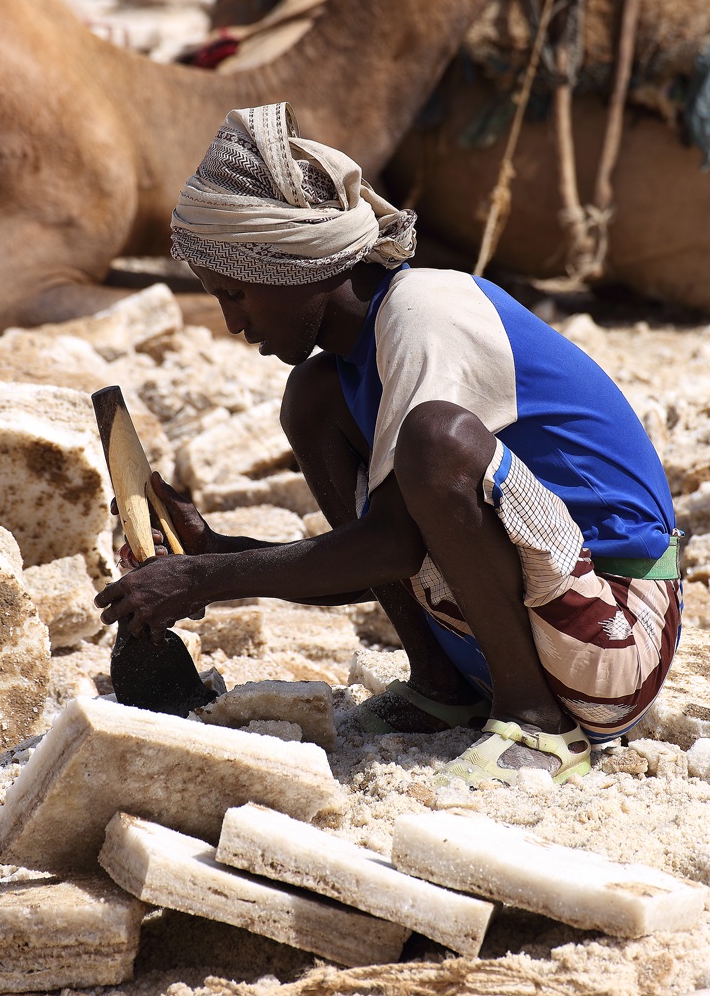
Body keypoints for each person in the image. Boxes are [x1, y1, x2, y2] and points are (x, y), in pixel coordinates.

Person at [95, 101, 682, 788]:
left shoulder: (422, 313)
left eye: (238, 294)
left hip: (612, 644)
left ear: (293, 266)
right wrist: (212, 551)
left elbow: (393, 546)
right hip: (505, 641)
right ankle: (443, 688)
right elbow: (381, 557)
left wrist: (203, 581)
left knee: (435, 443)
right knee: (312, 398)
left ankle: (538, 726)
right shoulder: (350, 364)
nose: (232, 323)